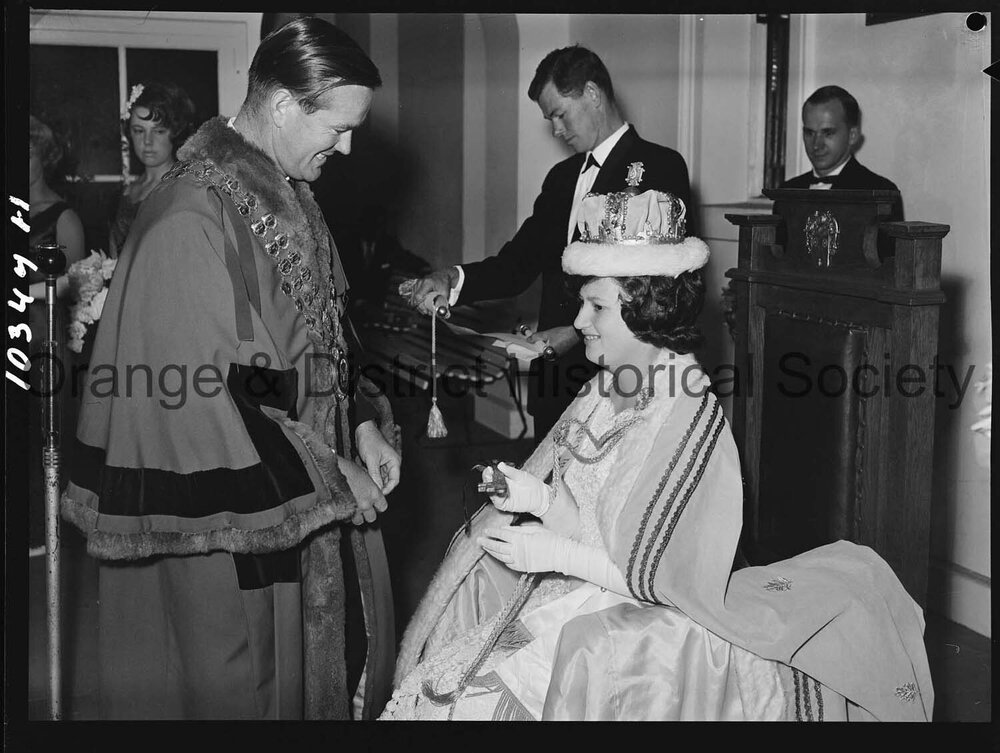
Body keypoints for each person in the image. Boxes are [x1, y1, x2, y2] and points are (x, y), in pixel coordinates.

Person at [381, 187, 932, 721]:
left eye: (596, 305)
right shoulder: (610, 383)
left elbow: (661, 576)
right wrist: (540, 497)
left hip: (647, 612)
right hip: (586, 591)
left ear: (644, 307)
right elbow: (596, 520)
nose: (577, 322)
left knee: (512, 682)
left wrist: (553, 554)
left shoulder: (685, 409)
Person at [61, 17, 401, 720]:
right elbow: (219, 386)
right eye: (337, 126)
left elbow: (330, 337)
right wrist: (333, 469)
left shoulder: (289, 196)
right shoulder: (191, 214)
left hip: (292, 497)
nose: (347, 145)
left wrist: (363, 421)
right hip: (232, 531)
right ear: (282, 106)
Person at [403, 45, 692, 440]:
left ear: (592, 93)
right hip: (554, 381)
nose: (556, 130)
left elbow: (649, 288)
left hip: (617, 379)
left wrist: (573, 332)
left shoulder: (660, 165)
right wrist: (450, 280)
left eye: (559, 114)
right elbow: (517, 264)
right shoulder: (561, 178)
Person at [27, 114, 87, 549]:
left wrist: (22, 291)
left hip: (44, 338)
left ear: (44, 156)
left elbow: (76, 282)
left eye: (26, 152)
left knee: (47, 433)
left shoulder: (64, 215)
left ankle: (49, 533)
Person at [782, 86, 902, 218]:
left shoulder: (881, 193)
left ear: (853, 135)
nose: (816, 145)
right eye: (809, 133)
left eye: (828, 133)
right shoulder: (785, 193)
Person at [109, 80, 197, 256]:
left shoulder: (183, 190)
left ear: (175, 132)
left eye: (158, 131)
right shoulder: (128, 192)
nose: (147, 142)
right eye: (139, 131)